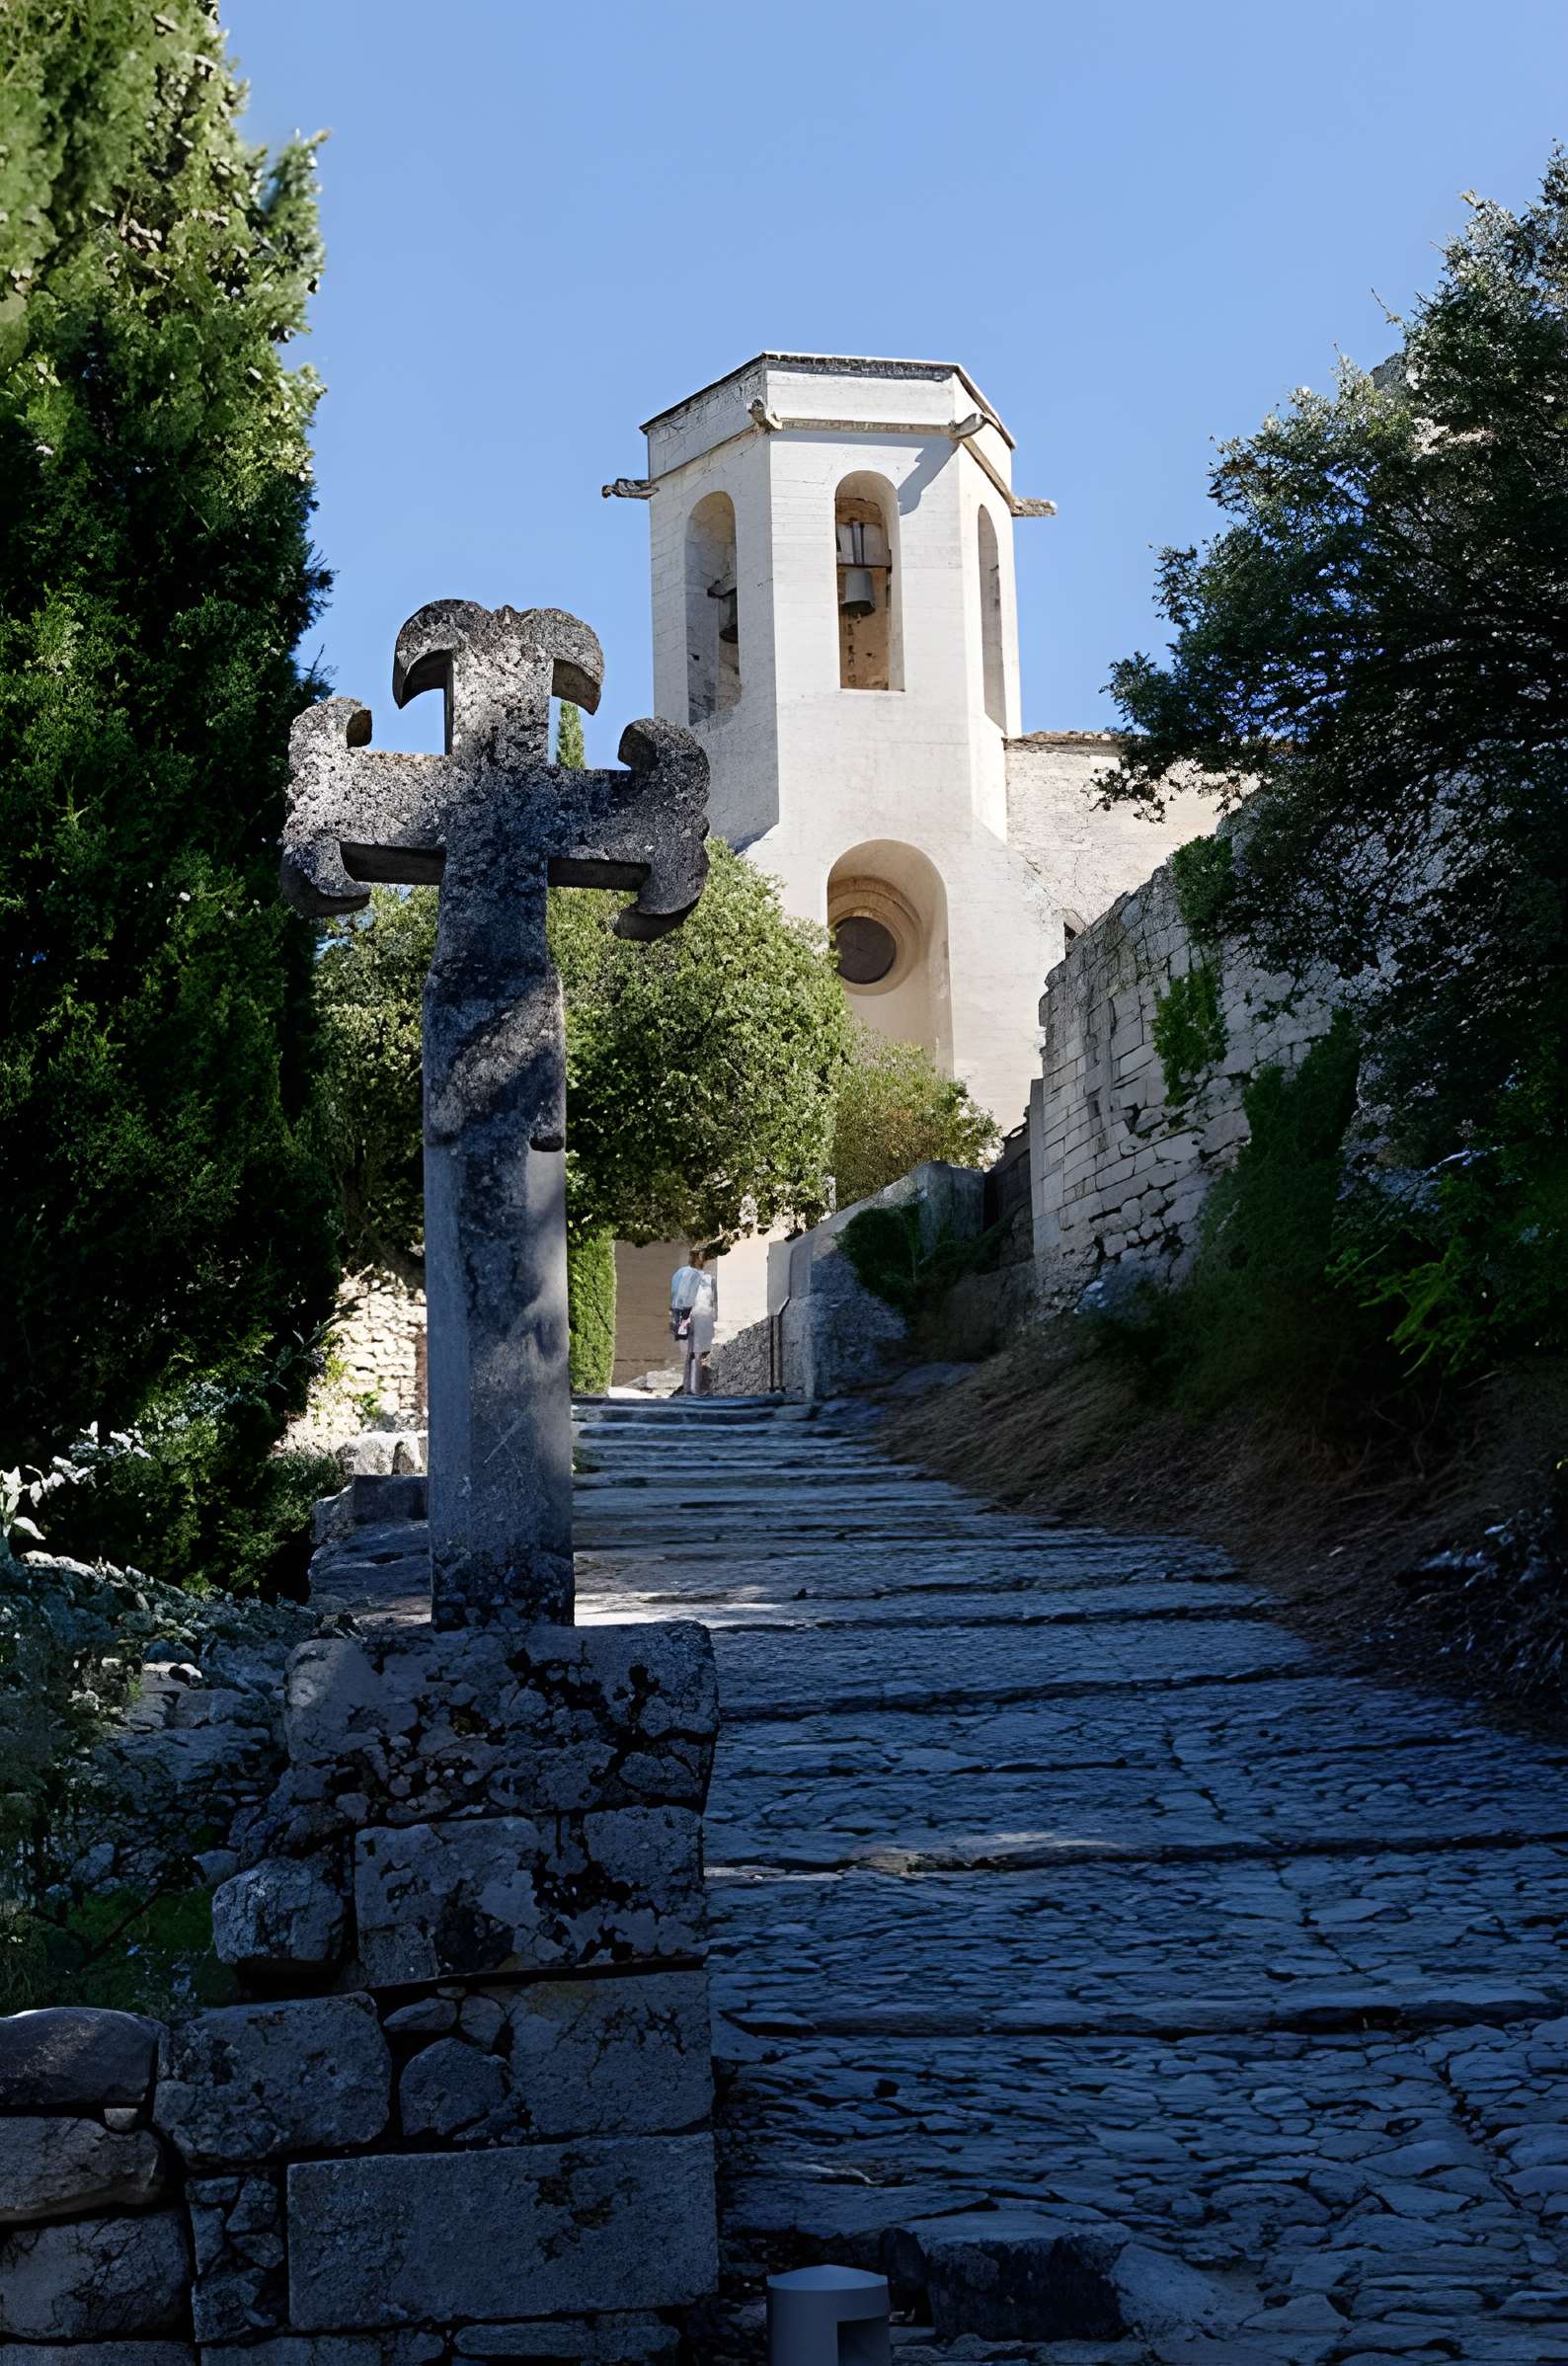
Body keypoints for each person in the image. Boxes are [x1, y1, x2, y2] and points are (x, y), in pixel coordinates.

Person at [669, 1246, 717, 1395]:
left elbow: (713, 1300)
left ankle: (690, 1386)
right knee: (695, 1353)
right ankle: (694, 1388)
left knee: (695, 1353)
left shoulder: (707, 1279)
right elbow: (681, 1298)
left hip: (701, 1316)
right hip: (695, 1315)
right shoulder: (689, 1276)